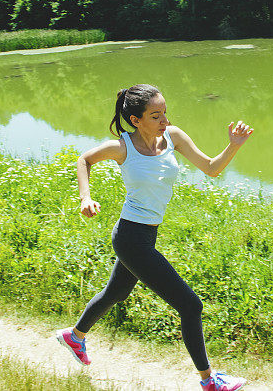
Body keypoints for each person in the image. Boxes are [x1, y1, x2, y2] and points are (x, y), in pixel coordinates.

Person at [56, 83, 254, 391]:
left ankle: (75, 336)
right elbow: (84, 160)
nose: (164, 121)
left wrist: (234, 145)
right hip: (130, 238)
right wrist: (85, 197)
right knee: (190, 305)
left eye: (165, 113)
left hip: (145, 235)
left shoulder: (173, 137)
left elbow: (212, 169)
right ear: (136, 120)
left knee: (115, 293)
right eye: (155, 115)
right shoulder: (122, 147)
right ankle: (209, 381)